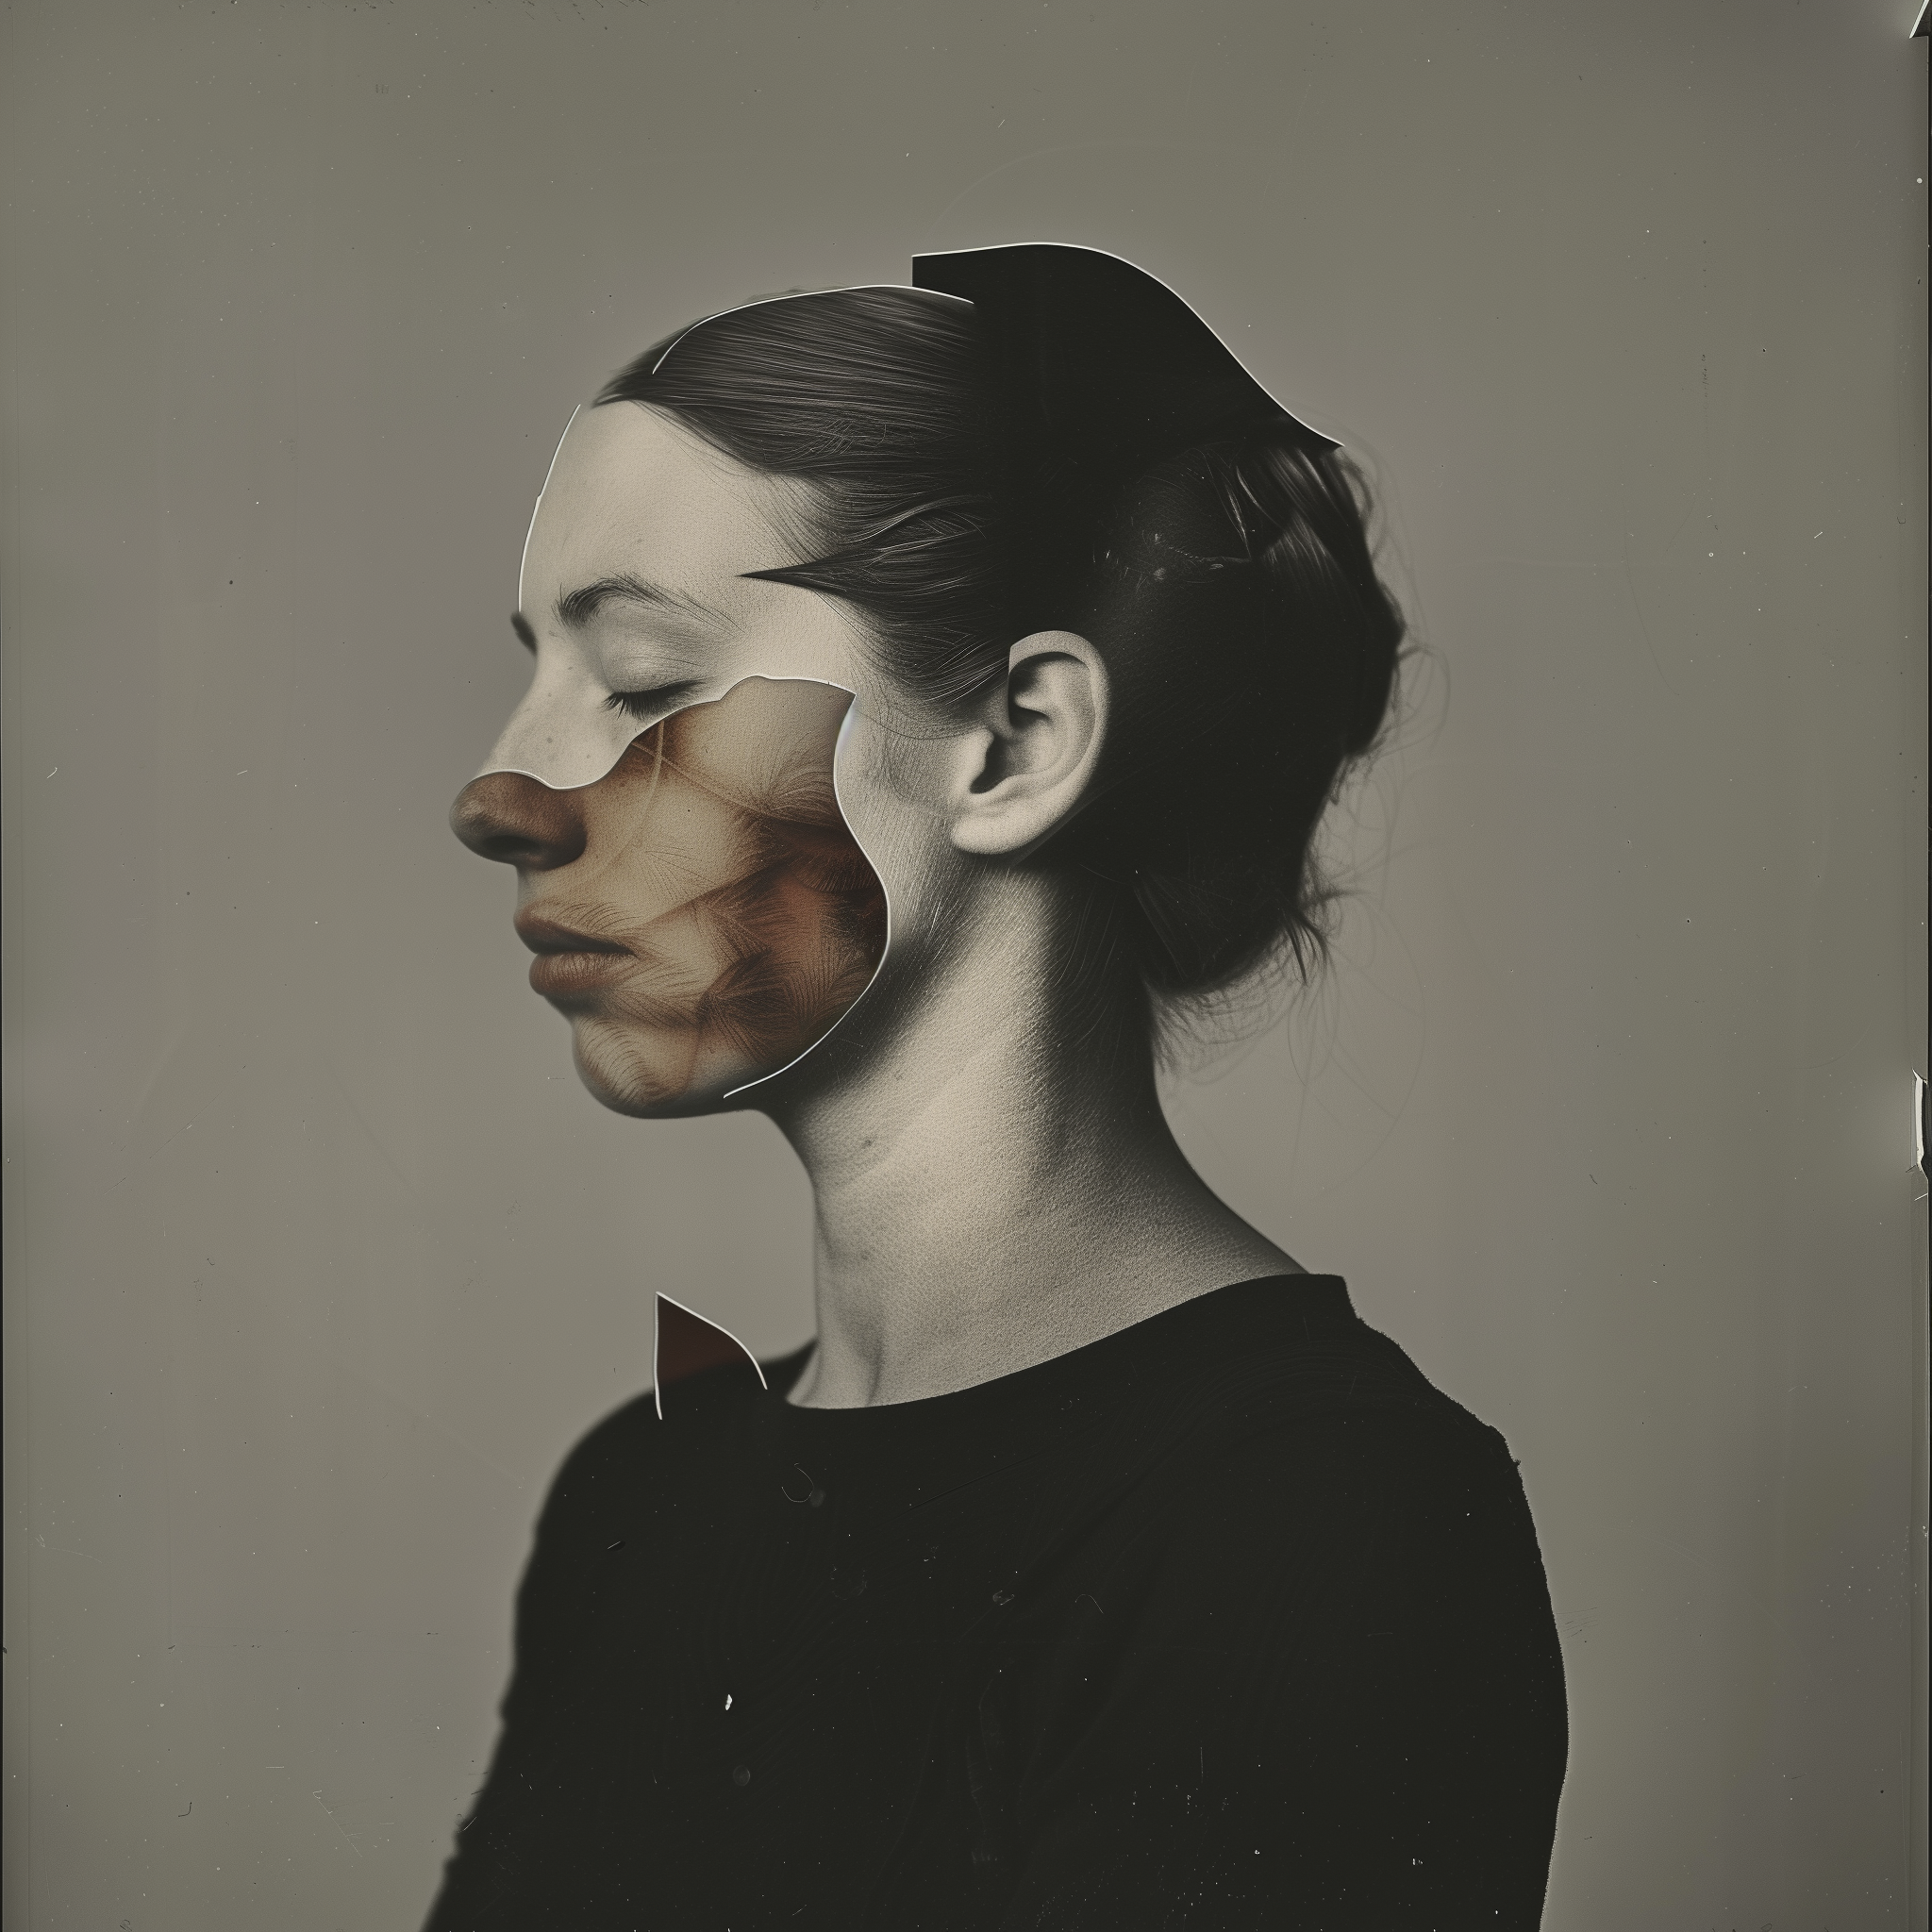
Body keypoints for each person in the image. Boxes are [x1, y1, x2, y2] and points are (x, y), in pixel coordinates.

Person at [428, 244, 1567, 1930]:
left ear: (1021, 742)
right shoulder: (640, 1494)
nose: (501, 792)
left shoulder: (1321, 1522)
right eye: (536, 670)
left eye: (646, 679)